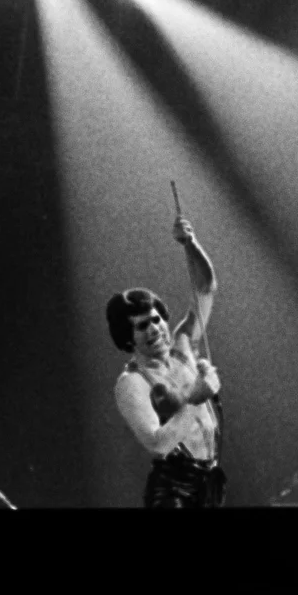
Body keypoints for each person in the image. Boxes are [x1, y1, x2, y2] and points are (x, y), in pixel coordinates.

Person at [108, 216, 224, 508]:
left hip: (209, 484)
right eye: (142, 326)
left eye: (156, 319)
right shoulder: (131, 383)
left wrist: (190, 243)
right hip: (173, 491)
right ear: (128, 337)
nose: (154, 329)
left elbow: (206, 287)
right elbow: (158, 443)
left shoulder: (183, 345)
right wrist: (197, 398)